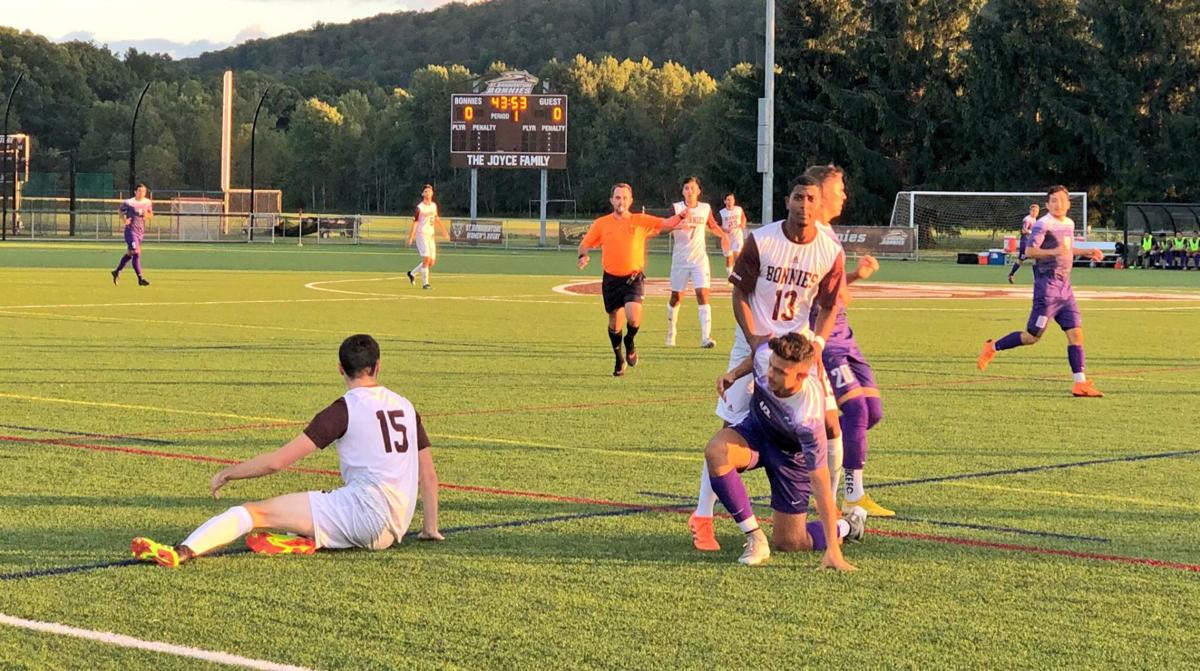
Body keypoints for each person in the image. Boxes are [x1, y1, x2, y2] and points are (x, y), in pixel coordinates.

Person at [130, 334, 443, 567]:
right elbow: (427, 474)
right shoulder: (406, 406)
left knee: (253, 512)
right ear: (378, 366)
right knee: (323, 506)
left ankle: (182, 551)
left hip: (362, 515)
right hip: (396, 526)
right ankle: (310, 539)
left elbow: (277, 462)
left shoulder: (343, 410)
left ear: (340, 369)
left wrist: (229, 473)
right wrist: (429, 528)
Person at [689, 174, 845, 551]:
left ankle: (832, 510)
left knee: (829, 423)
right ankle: (703, 516)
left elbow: (829, 305)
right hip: (754, 343)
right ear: (787, 201)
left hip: (797, 352)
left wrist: (818, 344)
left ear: (818, 204)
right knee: (729, 429)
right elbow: (740, 292)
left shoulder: (829, 250)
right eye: (798, 198)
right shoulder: (762, 240)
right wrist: (755, 337)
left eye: (811, 199)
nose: (804, 205)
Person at [707, 333, 866, 568]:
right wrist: (734, 374)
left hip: (790, 458)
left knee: (790, 542)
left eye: (780, 372)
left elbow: (820, 480)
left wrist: (833, 550)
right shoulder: (765, 356)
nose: (771, 374)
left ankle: (848, 526)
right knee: (716, 451)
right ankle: (755, 537)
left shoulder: (808, 418)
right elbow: (757, 356)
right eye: (772, 366)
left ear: (802, 376)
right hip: (756, 432)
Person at [803, 164, 892, 517]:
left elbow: (833, 288)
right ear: (821, 194)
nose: (845, 195)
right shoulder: (812, 237)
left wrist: (854, 276)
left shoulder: (829, 235)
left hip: (846, 335)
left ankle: (815, 446)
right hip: (827, 338)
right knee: (856, 411)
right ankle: (853, 495)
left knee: (872, 411)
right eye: (839, 189)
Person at [977, 186, 1105, 397]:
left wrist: (1088, 251)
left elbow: (1068, 249)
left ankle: (1080, 384)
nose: (1058, 204)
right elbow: (1029, 251)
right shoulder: (1042, 224)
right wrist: (1054, 251)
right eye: (1053, 200)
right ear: (1047, 204)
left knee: (1076, 334)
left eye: (1062, 200)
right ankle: (993, 347)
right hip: (1047, 290)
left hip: (1065, 289)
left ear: (1068, 204)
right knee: (1032, 337)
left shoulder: (1069, 223)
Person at [577, 183, 688, 376]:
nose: (621, 201)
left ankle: (629, 341)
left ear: (631, 201)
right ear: (612, 201)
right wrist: (583, 256)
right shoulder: (601, 223)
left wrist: (682, 216)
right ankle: (619, 358)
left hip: (633, 278)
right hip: (611, 280)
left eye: (625, 198)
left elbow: (667, 223)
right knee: (615, 323)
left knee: (634, 316)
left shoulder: (640, 220)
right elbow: (584, 245)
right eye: (617, 198)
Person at [666, 177, 730, 348]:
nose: (690, 191)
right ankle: (671, 332)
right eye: (686, 188)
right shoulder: (676, 208)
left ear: (699, 191)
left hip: (699, 259)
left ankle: (706, 337)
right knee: (676, 297)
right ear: (683, 191)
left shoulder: (705, 208)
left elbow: (713, 225)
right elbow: (665, 226)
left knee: (702, 294)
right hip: (680, 260)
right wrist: (678, 224)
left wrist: (723, 236)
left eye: (693, 188)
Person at [406, 184, 450, 290]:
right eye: (425, 191)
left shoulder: (433, 206)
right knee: (426, 258)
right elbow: (415, 223)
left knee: (431, 262)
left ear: (432, 193)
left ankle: (412, 273)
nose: (428, 193)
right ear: (422, 194)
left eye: (429, 191)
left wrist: (444, 230)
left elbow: (436, 218)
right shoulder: (420, 208)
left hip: (431, 235)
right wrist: (411, 237)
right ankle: (425, 284)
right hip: (422, 234)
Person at [111, 183, 153, 287]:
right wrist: (124, 220)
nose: (142, 193)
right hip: (130, 231)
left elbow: (150, 214)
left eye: (144, 191)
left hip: (140, 232)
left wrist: (146, 215)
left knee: (130, 254)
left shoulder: (147, 202)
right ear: (135, 192)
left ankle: (116, 271)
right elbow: (120, 211)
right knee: (136, 253)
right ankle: (140, 279)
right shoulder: (129, 202)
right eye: (139, 191)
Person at [1007, 204, 1040, 283]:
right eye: (1033, 211)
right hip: (1025, 242)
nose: (1035, 213)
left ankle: (1036, 280)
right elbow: (1024, 230)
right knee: (1026, 259)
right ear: (1030, 211)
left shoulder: (1034, 219)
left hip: (1030, 242)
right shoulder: (1027, 219)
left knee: (1032, 259)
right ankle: (1011, 274)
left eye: (1036, 211)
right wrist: (1033, 232)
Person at [718, 193, 747, 277]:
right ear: (725, 201)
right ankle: (730, 276)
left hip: (737, 236)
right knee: (729, 257)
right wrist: (724, 229)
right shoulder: (721, 213)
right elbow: (717, 225)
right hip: (726, 238)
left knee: (737, 254)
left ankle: (739, 274)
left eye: (732, 199)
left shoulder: (739, 209)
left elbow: (743, 218)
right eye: (728, 200)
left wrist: (742, 224)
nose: (730, 201)